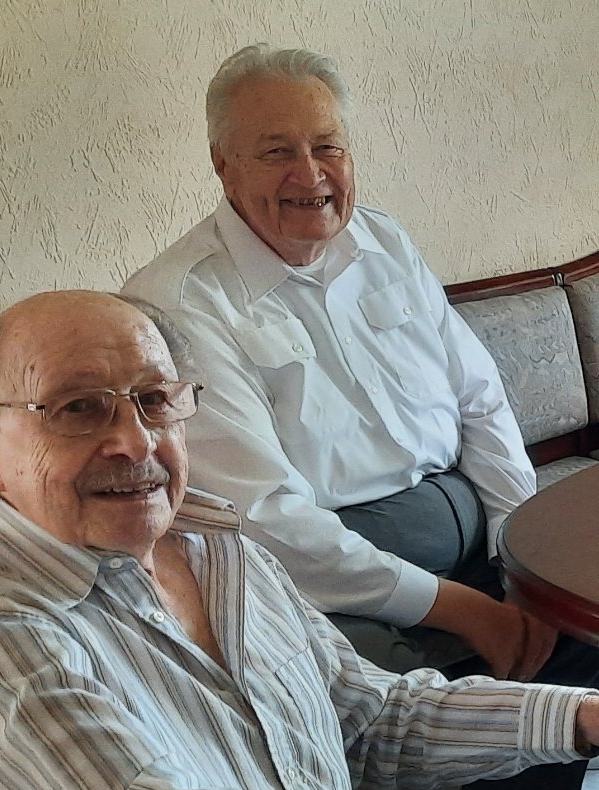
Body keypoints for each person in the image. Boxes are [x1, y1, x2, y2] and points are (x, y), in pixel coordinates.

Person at [0, 290, 599, 790]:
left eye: (154, 400)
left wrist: (577, 715)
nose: (136, 442)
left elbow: (369, 720)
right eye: (78, 407)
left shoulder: (219, 550)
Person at [123, 43, 598, 690]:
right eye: (277, 152)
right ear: (223, 166)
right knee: (395, 702)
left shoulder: (383, 240)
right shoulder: (178, 303)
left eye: (328, 147)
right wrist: (464, 610)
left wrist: (521, 562)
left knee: (577, 638)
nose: (309, 174)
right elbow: (262, 518)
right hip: (332, 580)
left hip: (480, 534)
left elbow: (480, 397)